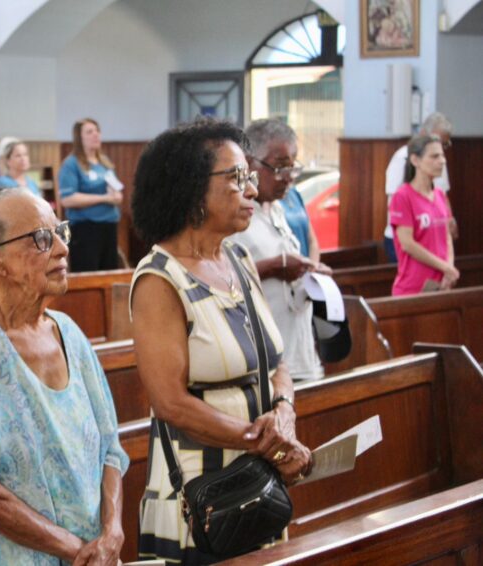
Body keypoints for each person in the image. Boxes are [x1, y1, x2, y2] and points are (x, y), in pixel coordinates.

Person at [130, 119, 312, 564]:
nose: (251, 189)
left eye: (249, 176)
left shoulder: (239, 259)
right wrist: (264, 440)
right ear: (192, 188)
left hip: (257, 484)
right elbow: (170, 404)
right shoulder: (160, 279)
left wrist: (284, 412)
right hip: (202, 496)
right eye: (236, 178)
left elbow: (275, 362)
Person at [0, 188, 129, 564]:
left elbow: (109, 447)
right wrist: (78, 552)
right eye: (40, 239)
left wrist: (111, 531)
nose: (62, 249)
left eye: (60, 232)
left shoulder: (69, 333)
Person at [229, 119, 328, 382]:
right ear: (249, 162)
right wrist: (272, 266)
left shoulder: (278, 209)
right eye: (279, 167)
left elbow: (308, 246)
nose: (288, 177)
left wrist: (310, 271)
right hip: (265, 364)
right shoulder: (232, 216)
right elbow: (221, 278)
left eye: (292, 167)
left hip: (300, 354)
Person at [389, 134, 458, 295]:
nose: (442, 161)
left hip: (441, 284)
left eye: (442, 155)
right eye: (434, 156)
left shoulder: (440, 195)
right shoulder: (403, 196)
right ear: (415, 160)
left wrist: (449, 269)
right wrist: (445, 267)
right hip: (413, 287)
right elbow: (407, 244)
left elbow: (447, 237)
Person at [384, 112, 454, 262]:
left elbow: (443, 194)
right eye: (437, 140)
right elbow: (393, 201)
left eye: (444, 144)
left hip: (433, 238)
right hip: (406, 237)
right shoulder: (402, 157)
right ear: (423, 133)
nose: (440, 156)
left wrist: (449, 219)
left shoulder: (440, 161)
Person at [59, 118, 123, 272]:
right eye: (89, 132)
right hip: (85, 230)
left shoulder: (104, 162)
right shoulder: (71, 164)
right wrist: (104, 198)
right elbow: (67, 199)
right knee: (89, 274)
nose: (96, 135)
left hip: (109, 226)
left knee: (110, 274)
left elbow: (117, 191)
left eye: (97, 131)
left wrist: (116, 197)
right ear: (79, 138)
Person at [280, 183, 322, 263]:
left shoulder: (294, 193)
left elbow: (312, 241)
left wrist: (313, 266)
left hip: (307, 266)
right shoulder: (270, 201)